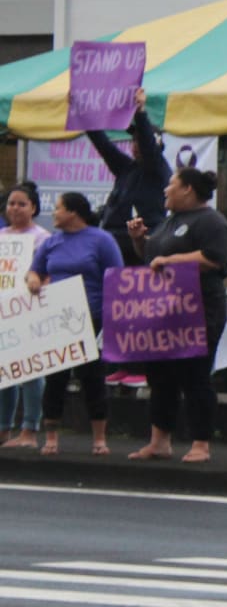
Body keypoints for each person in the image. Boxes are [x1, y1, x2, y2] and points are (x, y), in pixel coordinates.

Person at [126, 168, 227, 463]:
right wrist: (140, 241)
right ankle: (160, 441)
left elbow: (214, 258)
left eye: (171, 184)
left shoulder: (212, 222)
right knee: (160, 377)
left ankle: (201, 442)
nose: (165, 190)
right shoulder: (170, 221)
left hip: (199, 311)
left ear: (187, 189)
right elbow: (152, 259)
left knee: (195, 375)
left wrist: (171, 259)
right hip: (164, 312)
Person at [26, 192, 123, 456]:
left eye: (57, 208)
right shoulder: (52, 242)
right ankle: (52, 437)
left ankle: (99, 438)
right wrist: (34, 279)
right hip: (56, 318)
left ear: (72, 212)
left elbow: (117, 277)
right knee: (55, 378)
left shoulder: (101, 240)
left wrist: (110, 318)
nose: (54, 213)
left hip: (91, 317)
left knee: (92, 377)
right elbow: (36, 269)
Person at [87, 87, 171, 390]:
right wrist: (86, 119)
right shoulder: (127, 170)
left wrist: (141, 112)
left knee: (140, 310)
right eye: (132, 140)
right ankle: (121, 363)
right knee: (119, 310)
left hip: (141, 245)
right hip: (115, 245)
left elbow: (149, 147)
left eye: (139, 139)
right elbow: (105, 147)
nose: (135, 145)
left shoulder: (157, 167)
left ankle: (141, 366)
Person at [0, 183, 51, 449]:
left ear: (33, 207)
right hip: (4, 311)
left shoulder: (42, 238)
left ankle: (30, 428)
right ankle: (3, 428)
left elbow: (48, 270)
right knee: (3, 370)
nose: (15, 208)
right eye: (11, 203)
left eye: (21, 204)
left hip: (30, 310)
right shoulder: (2, 235)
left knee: (31, 371)